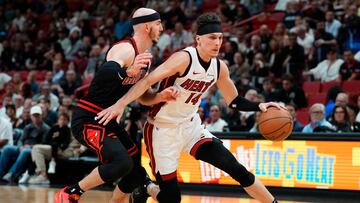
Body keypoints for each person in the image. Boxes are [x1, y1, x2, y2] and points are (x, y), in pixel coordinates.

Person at [96, 12, 283, 203]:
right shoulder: (183, 59)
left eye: (220, 38)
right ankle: (147, 186)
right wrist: (120, 105)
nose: (217, 43)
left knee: (236, 168)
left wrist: (259, 105)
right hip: (162, 130)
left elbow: (234, 100)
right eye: (212, 38)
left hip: (191, 127)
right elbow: (146, 82)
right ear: (198, 39)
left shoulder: (219, 67)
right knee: (172, 199)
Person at [54, 8, 176, 203]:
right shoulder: (126, 48)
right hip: (88, 118)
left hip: (108, 121)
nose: (162, 28)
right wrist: (128, 72)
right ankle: (71, 192)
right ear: (146, 26)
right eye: (158, 23)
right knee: (121, 162)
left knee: (135, 171)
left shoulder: (144, 58)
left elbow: (141, 97)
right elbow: (106, 71)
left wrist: (160, 96)